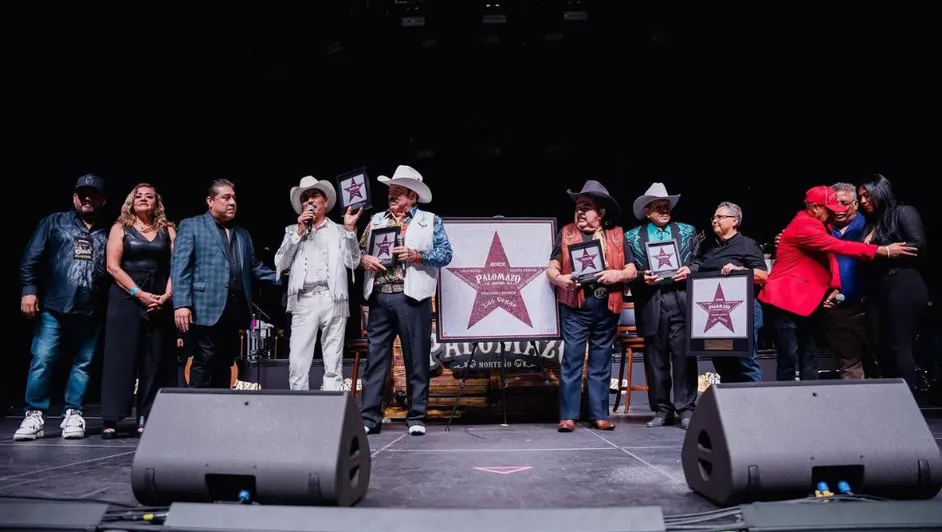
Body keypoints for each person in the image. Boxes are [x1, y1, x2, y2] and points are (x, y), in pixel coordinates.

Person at [759, 185, 914, 381]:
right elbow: (837, 246)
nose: (835, 213)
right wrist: (883, 251)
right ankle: (785, 404)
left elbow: (829, 257)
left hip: (806, 302)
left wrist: (835, 285)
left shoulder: (822, 224)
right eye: (830, 208)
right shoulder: (805, 225)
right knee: (789, 358)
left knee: (809, 356)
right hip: (785, 300)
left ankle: (812, 402)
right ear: (815, 208)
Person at [358, 165, 452, 436]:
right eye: (391, 190)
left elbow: (445, 254)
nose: (392, 195)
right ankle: (369, 418)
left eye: (398, 191)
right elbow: (358, 252)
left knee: (417, 359)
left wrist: (416, 254)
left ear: (413, 196)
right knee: (376, 360)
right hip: (379, 297)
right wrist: (364, 259)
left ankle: (416, 417)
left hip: (413, 297)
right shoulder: (376, 220)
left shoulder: (429, 220)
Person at [15, 174, 108, 441]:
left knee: (84, 364)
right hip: (54, 306)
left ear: (103, 200)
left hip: (91, 309)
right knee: (42, 359)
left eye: (94, 194)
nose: (87, 198)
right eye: (82, 194)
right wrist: (28, 291)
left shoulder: (111, 229)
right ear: (74, 198)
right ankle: (34, 414)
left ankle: (73, 413)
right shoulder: (53, 222)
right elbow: (30, 259)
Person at [546, 180, 637, 432]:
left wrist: (616, 275)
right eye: (578, 207)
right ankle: (568, 415)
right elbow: (551, 267)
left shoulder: (617, 235)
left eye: (586, 207)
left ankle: (599, 414)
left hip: (606, 306)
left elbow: (631, 269)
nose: (580, 212)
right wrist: (561, 279)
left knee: (601, 360)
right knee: (573, 359)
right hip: (576, 307)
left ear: (602, 212)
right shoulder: (566, 233)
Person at [171, 179, 279, 388]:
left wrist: (286, 279)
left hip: (235, 309)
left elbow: (254, 268)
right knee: (204, 358)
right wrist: (181, 304)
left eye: (234, 198)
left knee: (225, 362)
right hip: (205, 307)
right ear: (210, 201)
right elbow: (180, 267)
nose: (232, 202)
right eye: (226, 197)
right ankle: (198, 412)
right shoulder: (191, 225)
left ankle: (219, 410)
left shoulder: (243, 234)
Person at [100, 183, 178, 438]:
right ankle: (112, 417)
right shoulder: (119, 228)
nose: (144, 199)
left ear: (157, 203)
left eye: (149, 196)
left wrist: (166, 295)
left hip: (160, 296)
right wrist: (139, 294)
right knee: (120, 357)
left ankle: (147, 414)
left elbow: (177, 265)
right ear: (131, 202)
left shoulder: (168, 230)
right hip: (127, 296)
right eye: (138, 196)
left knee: (153, 359)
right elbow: (112, 267)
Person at [274, 176, 362, 391]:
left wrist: (351, 231)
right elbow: (280, 264)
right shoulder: (291, 230)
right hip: (304, 299)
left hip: (333, 297)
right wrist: (298, 233)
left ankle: (331, 409)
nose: (309, 201)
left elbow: (353, 262)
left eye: (314, 196)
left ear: (325, 203)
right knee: (298, 358)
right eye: (304, 198)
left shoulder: (341, 231)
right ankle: (298, 409)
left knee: (333, 357)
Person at [625, 183, 700, 430]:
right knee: (655, 360)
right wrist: (640, 277)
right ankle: (661, 410)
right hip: (651, 301)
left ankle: (686, 408)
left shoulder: (688, 232)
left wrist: (691, 269)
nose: (664, 210)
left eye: (666, 206)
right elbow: (628, 269)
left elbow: (700, 261)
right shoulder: (632, 237)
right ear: (647, 211)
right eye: (658, 207)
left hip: (680, 299)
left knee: (684, 358)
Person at [857, 174, 927, 391]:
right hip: (877, 290)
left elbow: (917, 245)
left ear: (881, 192)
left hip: (903, 284)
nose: (863, 201)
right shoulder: (870, 224)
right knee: (879, 347)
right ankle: (893, 400)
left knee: (899, 346)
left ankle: (909, 402)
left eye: (867, 195)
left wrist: (880, 252)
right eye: (860, 197)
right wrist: (882, 251)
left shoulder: (903, 212)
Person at [692, 202, 768, 383]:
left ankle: (754, 408)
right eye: (714, 217)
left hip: (742, 312)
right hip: (713, 313)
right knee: (722, 364)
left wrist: (740, 269)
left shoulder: (747, 245)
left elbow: (763, 276)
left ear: (735, 221)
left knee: (745, 362)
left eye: (720, 217)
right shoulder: (708, 246)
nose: (715, 221)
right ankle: (730, 408)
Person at [819, 183, 875, 380]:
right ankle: (857, 408)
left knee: (881, 358)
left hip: (869, 306)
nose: (839, 209)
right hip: (835, 309)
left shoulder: (870, 226)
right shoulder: (821, 229)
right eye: (834, 204)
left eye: (844, 203)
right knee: (848, 363)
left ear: (856, 204)